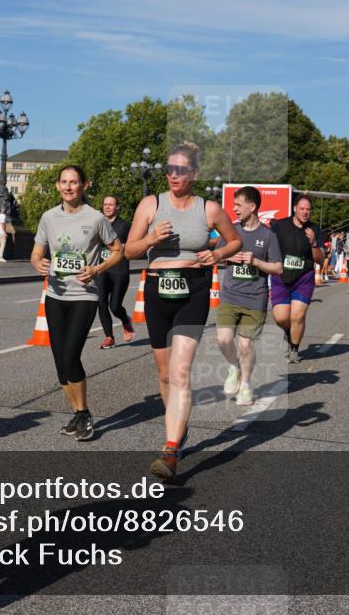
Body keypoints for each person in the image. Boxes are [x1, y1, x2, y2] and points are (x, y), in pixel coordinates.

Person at [125, 142, 240, 480]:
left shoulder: (209, 209)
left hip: (194, 290)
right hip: (157, 289)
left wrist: (216, 256)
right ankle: (178, 427)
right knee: (164, 375)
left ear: (194, 174)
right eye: (170, 169)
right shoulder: (151, 204)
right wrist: (150, 240)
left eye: (181, 170)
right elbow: (129, 249)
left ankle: (170, 449)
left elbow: (234, 241)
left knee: (180, 372)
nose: (174, 175)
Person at [31, 165, 123, 441]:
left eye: (74, 182)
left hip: (84, 295)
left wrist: (97, 269)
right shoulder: (49, 217)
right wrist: (39, 263)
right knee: (60, 361)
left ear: (85, 185)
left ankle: (84, 413)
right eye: (64, 182)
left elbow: (118, 251)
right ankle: (76, 413)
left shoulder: (96, 218)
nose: (68, 187)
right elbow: (36, 252)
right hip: (56, 295)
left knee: (71, 355)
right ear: (58, 185)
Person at [215, 186, 283, 405]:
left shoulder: (268, 235)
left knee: (246, 345)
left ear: (252, 207)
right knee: (223, 339)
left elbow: (278, 268)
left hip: (255, 298)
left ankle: (245, 385)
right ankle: (233, 367)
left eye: (238, 205)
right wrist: (231, 258)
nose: (234, 209)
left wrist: (255, 262)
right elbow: (215, 257)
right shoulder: (231, 232)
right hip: (230, 295)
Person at [269, 195, 324, 364]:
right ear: (295, 209)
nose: (305, 212)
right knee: (280, 318)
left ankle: (294, 348)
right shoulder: (280, 226)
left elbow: (320, 260)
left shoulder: (314, 228)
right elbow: (269, 246)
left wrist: (314, 243)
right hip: (281, 276)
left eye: (308, 209)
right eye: (302, 209)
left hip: (303, 278)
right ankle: (288, 332)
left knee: (297, 316)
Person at [95, 195, 135, 349]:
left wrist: (125, 247)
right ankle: (109, 337)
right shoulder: (97, 224)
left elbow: (134, 246)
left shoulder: (125, 226)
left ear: (117, 207)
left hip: (119, 270)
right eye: (105, 204)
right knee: (101, 302)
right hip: (102, 269)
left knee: (115, 306)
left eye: (111, 204)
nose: (107, 207)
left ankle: (125, 320)